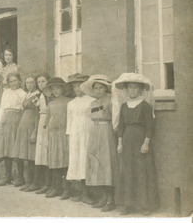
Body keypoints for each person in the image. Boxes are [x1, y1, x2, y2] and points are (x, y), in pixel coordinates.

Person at [113, 73, 159, 215]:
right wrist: (120, 143)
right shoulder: (124, 106)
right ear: (126, 90)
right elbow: (121, 126)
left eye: (135, 88)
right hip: (127, 142)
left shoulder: (145, 106)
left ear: (140, 90)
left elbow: (150, 127)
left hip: (140, 142)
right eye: (130, 88)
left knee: (141, 172)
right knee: (127, 171)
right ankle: (127, 205)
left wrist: (145, 143)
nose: (132, 90)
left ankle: (144, 206)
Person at [82, 74, 117, 212]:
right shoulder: (92, 103)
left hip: (106, 131)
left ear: (105, 88)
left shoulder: (110, 101)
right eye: (96, 88)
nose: (98, 90)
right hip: (95, 132)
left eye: (101, 88)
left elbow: (114, 118)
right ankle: (102, 197)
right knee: (97, 165)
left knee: (107, 164)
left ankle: (110, 199)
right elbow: (91, 115)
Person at [64, 73, 95, 203]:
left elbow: (95, 118)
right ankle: (81, 192)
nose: (77, 89)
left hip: (88, 132)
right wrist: (68, 135)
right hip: (75, 134)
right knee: (76, 160)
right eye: (75, 86)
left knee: (86, 159)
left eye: (80, 86)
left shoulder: (92, 101)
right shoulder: (71, 103)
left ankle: (89, 193)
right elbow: (69, 121)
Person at [42, 77, 71, 198]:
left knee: (64, 161)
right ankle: (56, 187)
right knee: (54, 161)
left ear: (63, 89)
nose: (56, 91)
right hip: (53, 134)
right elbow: (47, 120)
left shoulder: (68, 102)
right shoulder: (50, 103)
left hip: (63, 133)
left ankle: (67, 189)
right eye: (53, 89)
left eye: (58, 88)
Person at [0, 73, 27, 186]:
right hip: (5, 120)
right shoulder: (5, 92)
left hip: (17, 120)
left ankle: (20, 177)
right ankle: (7, 176)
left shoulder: (23, 93)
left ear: (19, 81)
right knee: (6, 149)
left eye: (15, 81)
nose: (13, 83)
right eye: (10, 81)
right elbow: (2, 109)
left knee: (16, 149)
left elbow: (24, 110)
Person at [14, 75, 41, 192]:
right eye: (27, 83)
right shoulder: (27, 95)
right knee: (21, 153)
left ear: (35, 83)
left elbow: (37, 113)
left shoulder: (37, 95)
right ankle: (23, 179)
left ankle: (32, 182)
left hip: (31, 125)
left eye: (31, 82)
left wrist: (35, 130)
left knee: (31, 155)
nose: (29, 85)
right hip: (23, 125)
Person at [33, 73, 52, 194]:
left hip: (48, 121)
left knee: (47, 152)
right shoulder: (39, 95)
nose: (41, 84)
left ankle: (48, 184)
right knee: (41, 153)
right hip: (41, 121)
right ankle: (41, 183)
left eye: (43, 81)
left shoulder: (49, 95)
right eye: (39, 82)